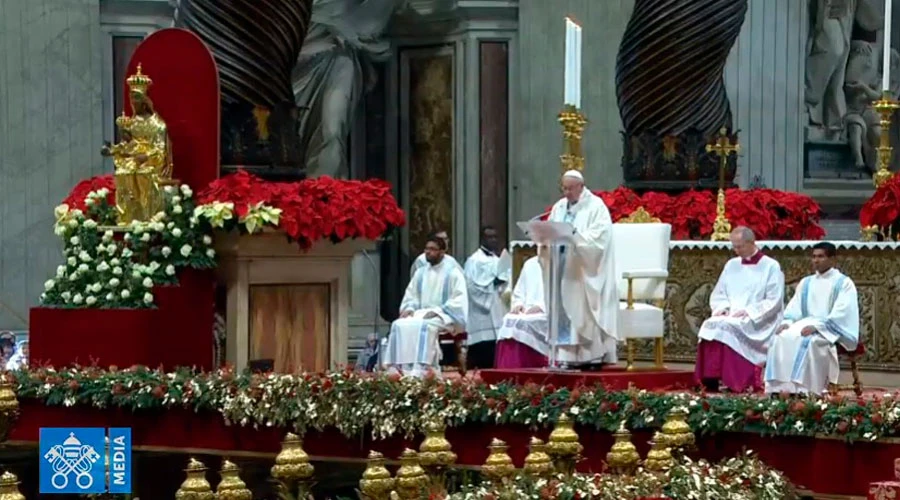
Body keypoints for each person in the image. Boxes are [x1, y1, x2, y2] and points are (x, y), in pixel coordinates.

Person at [543, 170, 619, 367]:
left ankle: (590, 355)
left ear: (580, 186)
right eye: (564, 188)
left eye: (569, 188)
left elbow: (600, 238)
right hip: (562, 265)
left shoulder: (596, 206)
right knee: (563, 308)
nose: (566, 192)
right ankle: (566, 356)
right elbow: (551, 228)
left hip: (583, 270)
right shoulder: (559, 207)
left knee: (582, 309)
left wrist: (575, 237)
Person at [695, 226, 784, 392]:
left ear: (751, 242)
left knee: (728, 327)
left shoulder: (771, 266)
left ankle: (736, 381)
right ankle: (710, 380)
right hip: (731, 314)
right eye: (733, 246)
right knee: (710, 324)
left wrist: (750, 312)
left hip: (758, 318)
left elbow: (774, 300)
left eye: (740, 246)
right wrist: (723, 307)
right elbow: (720, 292)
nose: (736, 250)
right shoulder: (731, 265)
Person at [765, 243, 859, 395]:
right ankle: (781, 389)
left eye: (821, 256)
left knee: (808, 341)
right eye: (814, 257)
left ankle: (806, 390)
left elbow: (842, 312)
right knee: (780, 337)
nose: (816, 260)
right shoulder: (807, 282)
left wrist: (819, 328)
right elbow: (794, 308)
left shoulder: (843, 283)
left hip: (828, 328)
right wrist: (787, 322)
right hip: (805, 323)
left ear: (833, 259)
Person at [382, 232, 468, 377]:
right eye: (426, 249)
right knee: (398, 324)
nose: (428, 252)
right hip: (421, 313)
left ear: (442, 252)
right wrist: (409, 308)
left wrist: (438, 312)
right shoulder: (420, 273)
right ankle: (398, 368)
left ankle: (423, 369)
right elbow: (411, 295)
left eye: (432, 249)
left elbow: (458, 299)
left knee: (425, 327)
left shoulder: (453, 273)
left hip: (445, 316)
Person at [463, 226, 510, 369]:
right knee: (482, 352)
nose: (493, 240)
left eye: (495, 237)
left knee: (494, 351)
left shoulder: (499, 259)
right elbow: (470, 286)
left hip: (498, 307)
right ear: (482, 239)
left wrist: (503, 284)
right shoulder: (473, 261)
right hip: (482, 313)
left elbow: (507, 280)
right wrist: (492, 285)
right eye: (490, 237)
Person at [495, 256, 549, 368]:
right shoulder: (530, 264)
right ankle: (511, 370)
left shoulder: (560, 264)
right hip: (526, 311)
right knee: (509, 320)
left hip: (548, 313)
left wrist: (542, 307)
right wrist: (518, 304)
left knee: (528, 322)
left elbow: (563, 295)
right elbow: (518, 292)